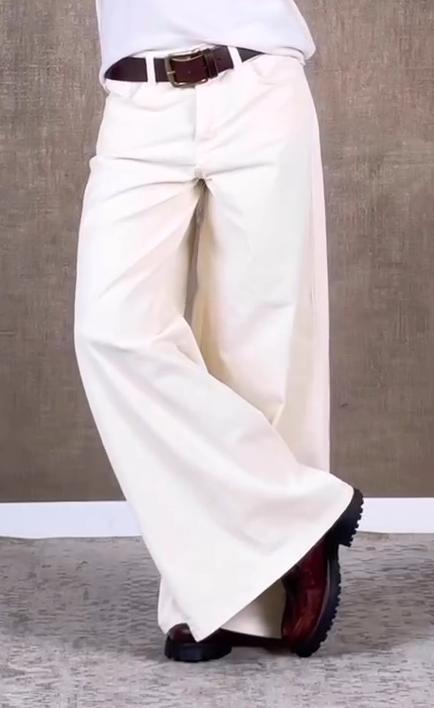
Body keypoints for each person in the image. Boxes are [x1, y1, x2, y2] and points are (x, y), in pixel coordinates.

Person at [73, 0, 364, 663]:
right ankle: (302, 516)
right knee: (111, 329)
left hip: (257, 80)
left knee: (260, 347)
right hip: (138, 100)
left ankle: (234, 599)